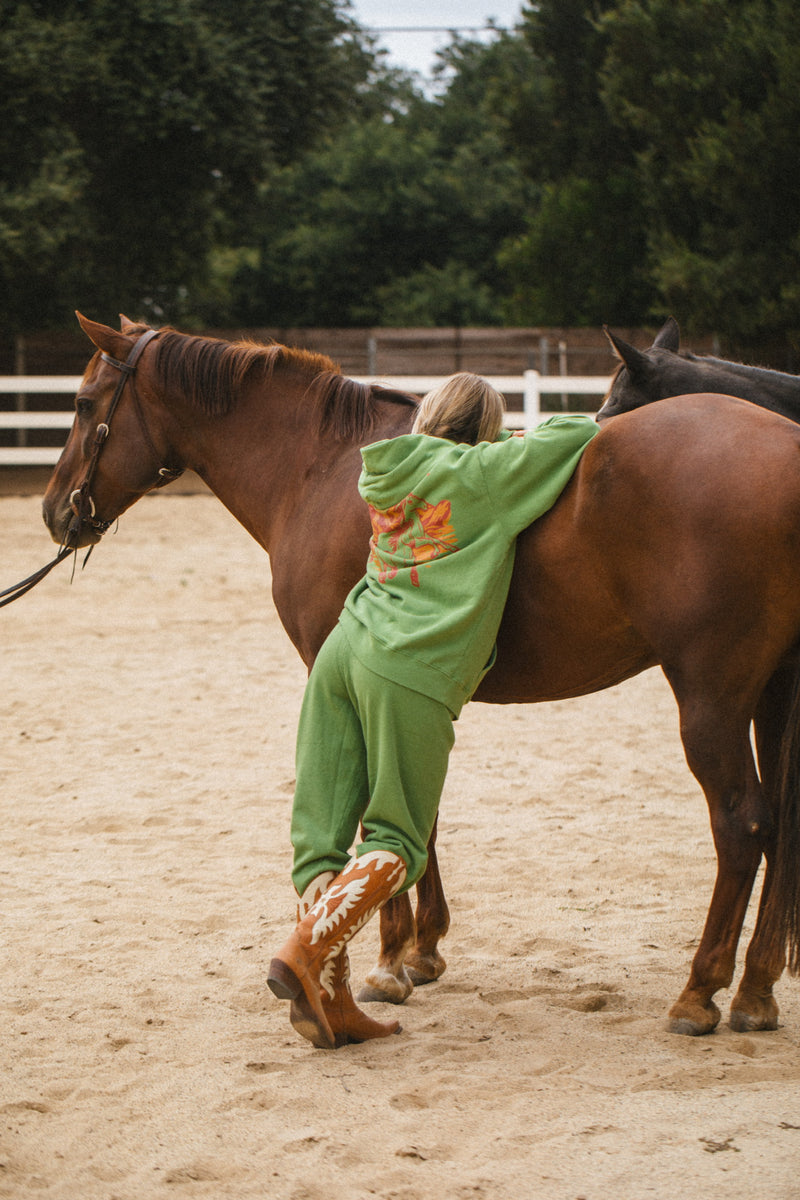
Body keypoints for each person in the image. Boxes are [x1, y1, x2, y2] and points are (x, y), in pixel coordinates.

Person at [267, 373, 599, 1049]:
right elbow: (578, 433)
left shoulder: (385, 470)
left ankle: (330, 1000)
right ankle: (306, 949)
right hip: (410, 668)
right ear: (481, 428)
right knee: (397, 842)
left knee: (322, 835)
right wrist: (509, 438)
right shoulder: (485, 475)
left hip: (345, 646)